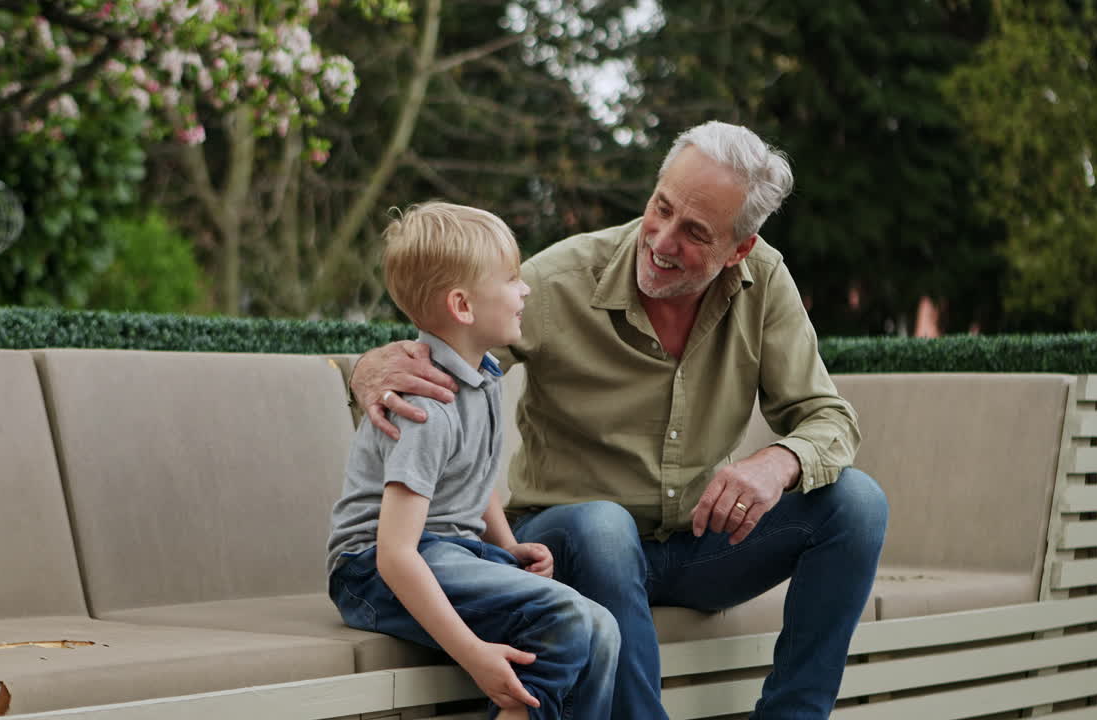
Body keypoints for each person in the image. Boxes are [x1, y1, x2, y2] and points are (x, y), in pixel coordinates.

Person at [351, 123, 888, 719]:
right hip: (570, 543)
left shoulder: (764, 282)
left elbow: (829, 417)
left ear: (738, 249)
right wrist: (369, 369)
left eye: (694, 233)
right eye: (661, 207)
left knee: (856, 504)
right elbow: (453, 331)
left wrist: (779, 461)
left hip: (694, 548)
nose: (660, 238)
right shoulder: (560, 281)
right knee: (605, 528)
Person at [327, 202, 620, 720]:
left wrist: (508, 547)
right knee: (570, 619)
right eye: (511, 278)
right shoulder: (428, 404)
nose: (525, 288)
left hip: (451, 553)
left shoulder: (480, 377)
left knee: (601, 629)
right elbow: (395, 552)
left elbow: (470, 479)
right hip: (371, 570)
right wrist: (473, 655)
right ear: (462, 305)